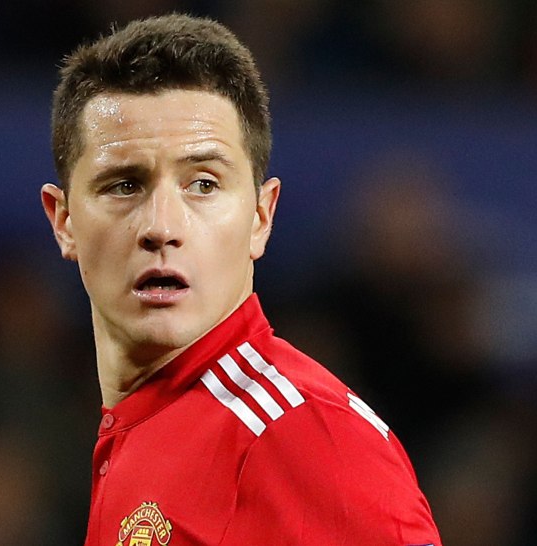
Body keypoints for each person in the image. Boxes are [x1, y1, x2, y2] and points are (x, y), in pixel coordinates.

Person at [40, 14, 442, 545]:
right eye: (124, 185)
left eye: (203, 184)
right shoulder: (142, 428)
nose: (161, 227)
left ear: (260, 216)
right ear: (64, 221)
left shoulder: (305, 440)